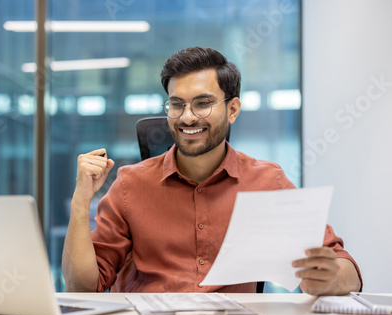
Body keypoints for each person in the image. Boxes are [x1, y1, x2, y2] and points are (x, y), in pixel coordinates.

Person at [62, 46, 362, 295]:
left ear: (232, 110)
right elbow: (83, 287)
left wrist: (330, 277)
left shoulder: (266, 181)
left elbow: (345, 267)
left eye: (203, 103)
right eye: (177, 104)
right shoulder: (131, 183)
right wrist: (80, 203)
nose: (187, 117)